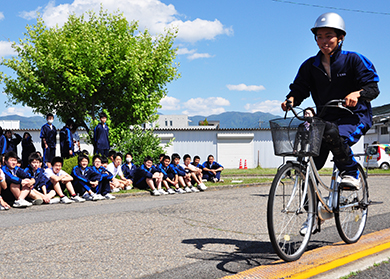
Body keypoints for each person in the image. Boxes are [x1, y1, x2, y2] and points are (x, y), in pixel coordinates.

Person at [281, 12, 380, 234]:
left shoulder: (354, 60)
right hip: (324, 119)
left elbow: (373, 87)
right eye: (319, 37)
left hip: (353, 116)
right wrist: (291, 100)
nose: (324, 41)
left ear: (340, 38)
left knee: (337, 135)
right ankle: (313, 215)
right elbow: (299, 88)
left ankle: (351, 173)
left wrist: (358, 92)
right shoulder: (310, 65)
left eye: (329, 36)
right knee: (309, 163)